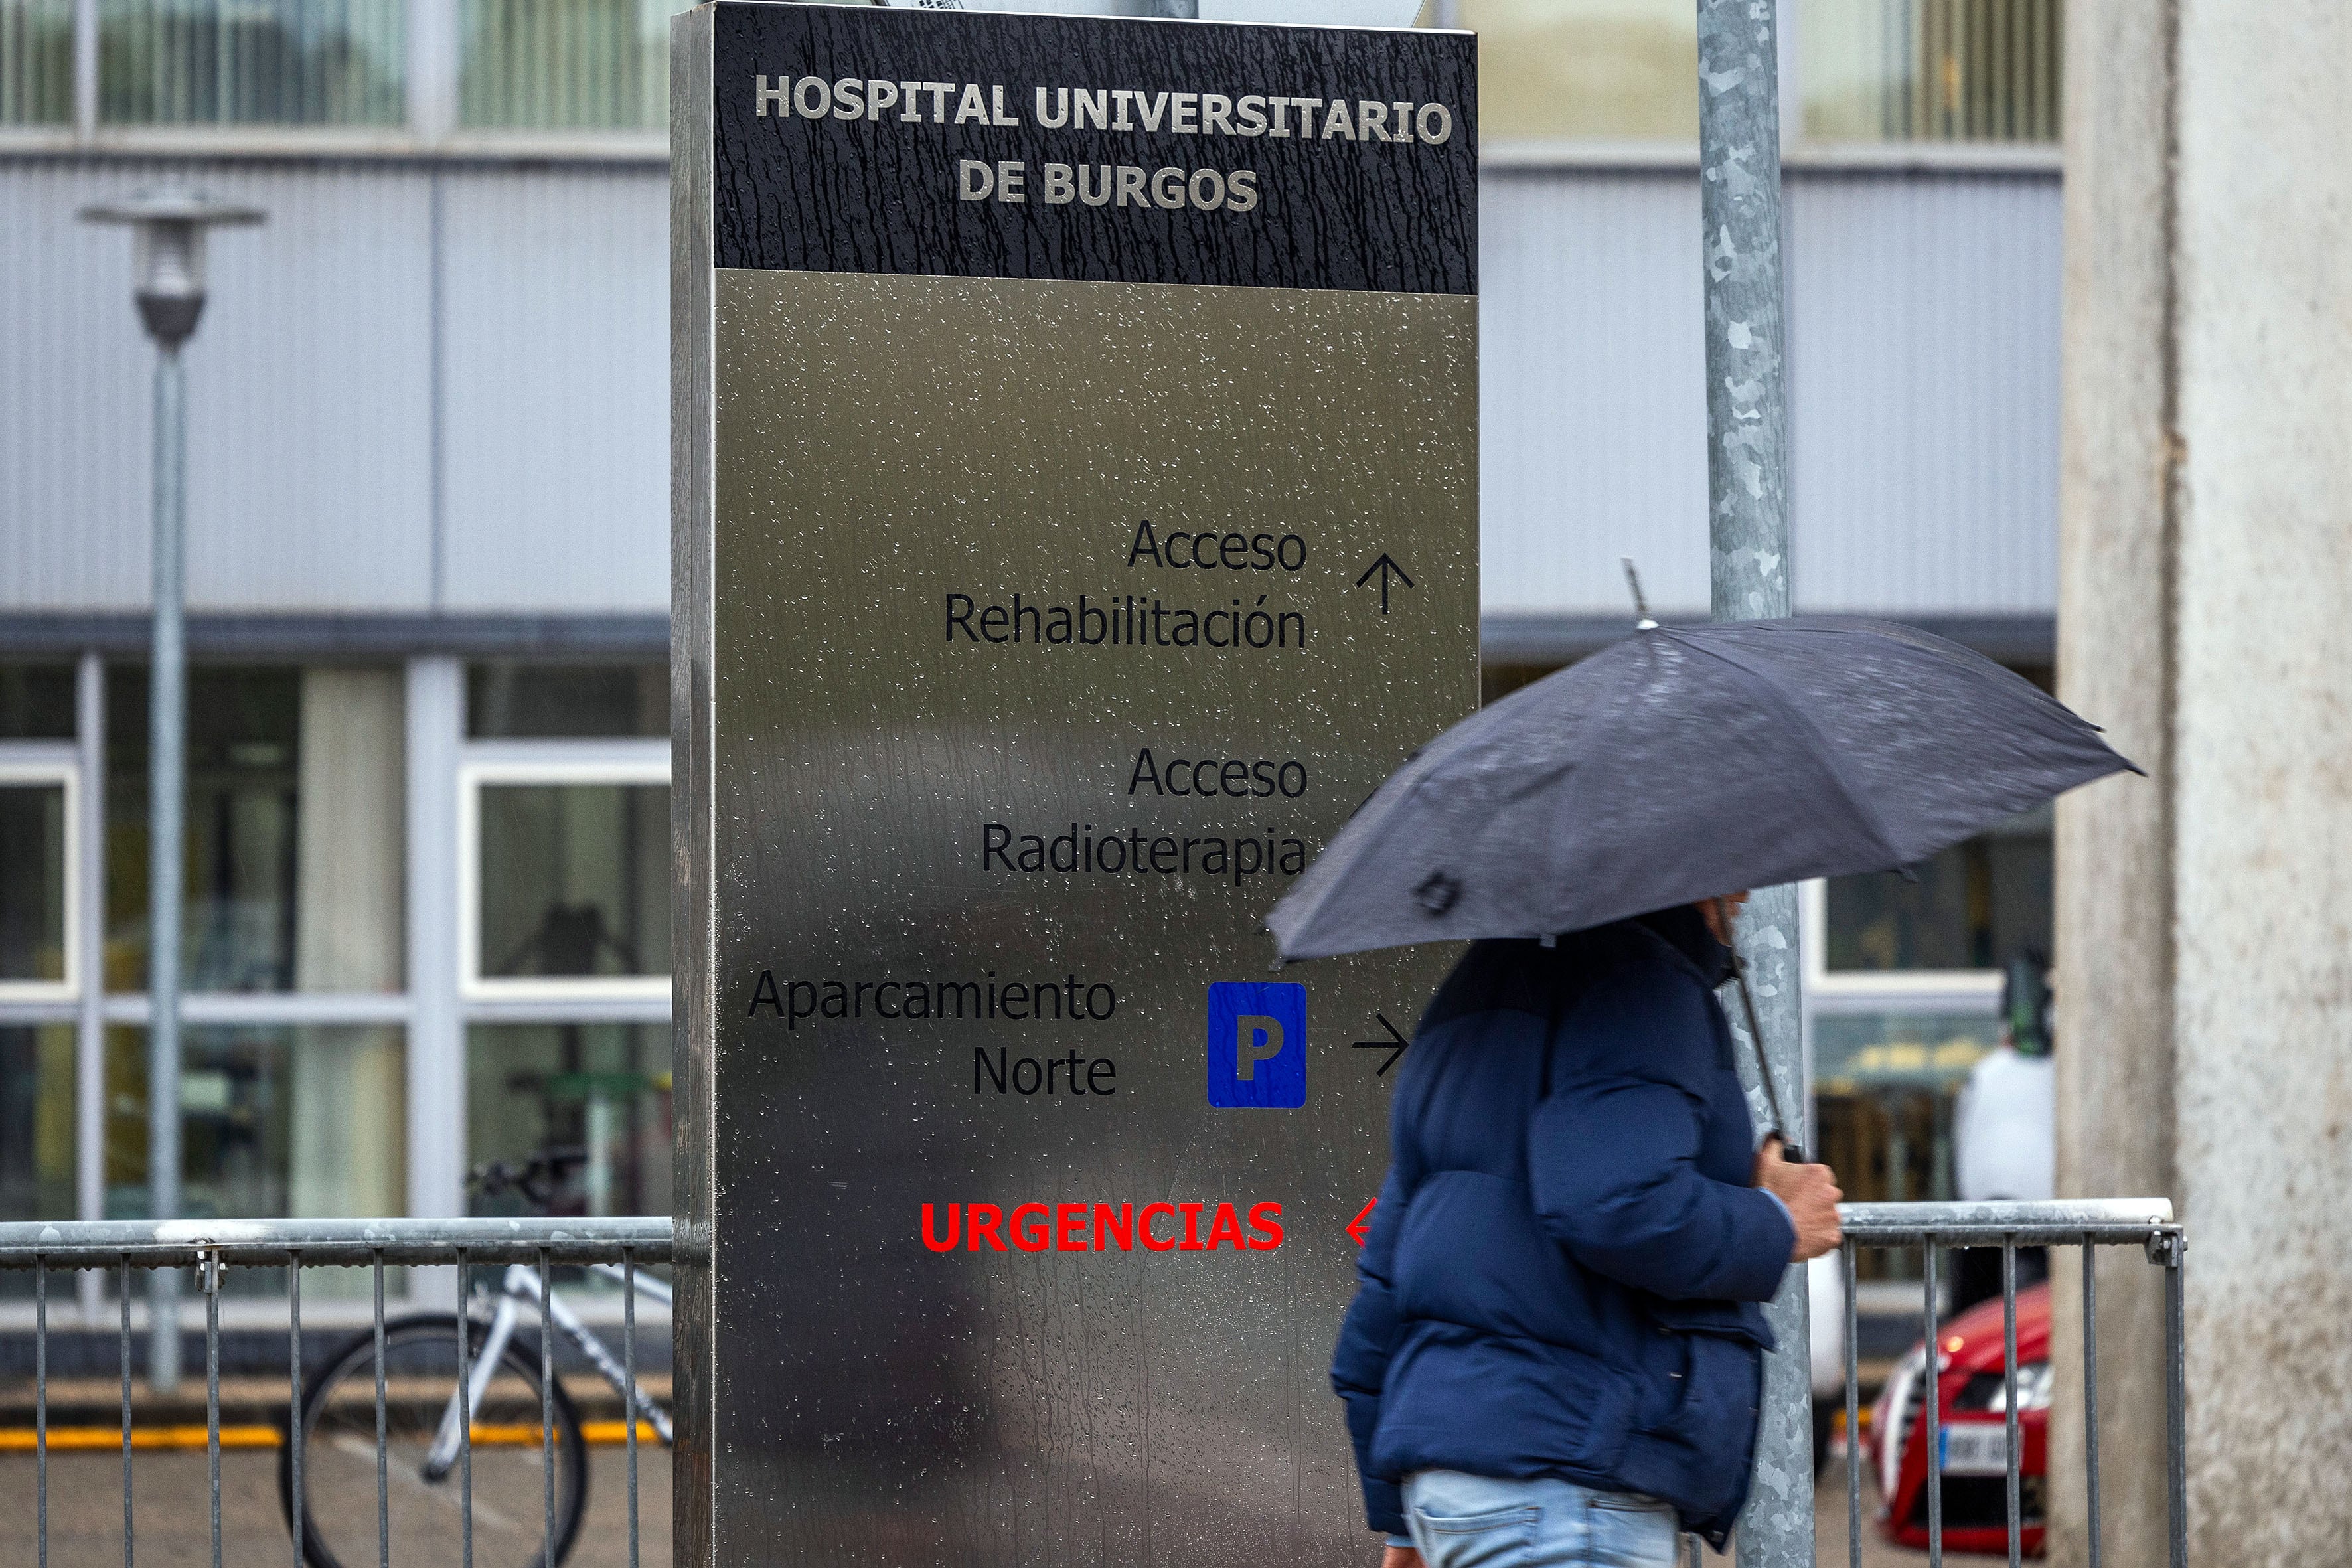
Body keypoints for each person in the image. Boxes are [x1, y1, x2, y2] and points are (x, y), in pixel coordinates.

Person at [1330, 894, 1844, 1568]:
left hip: (1457, 1494)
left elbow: (1385, 1291)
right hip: (1568, 1491)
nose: (1746, 895)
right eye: (1735, 879)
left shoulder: (1469, 1000)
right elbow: (1613, 1202)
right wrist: (1777, 1221)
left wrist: (1402, 1523)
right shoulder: (1644, 985)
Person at [1950, 951, 2055, 1312]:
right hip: (2036, 1213)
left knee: (1975, 1311)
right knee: (2032, 1312)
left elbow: (1961, 1144)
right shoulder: (2056, 1076)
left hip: (1981, 1209)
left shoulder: (1986, 1074)